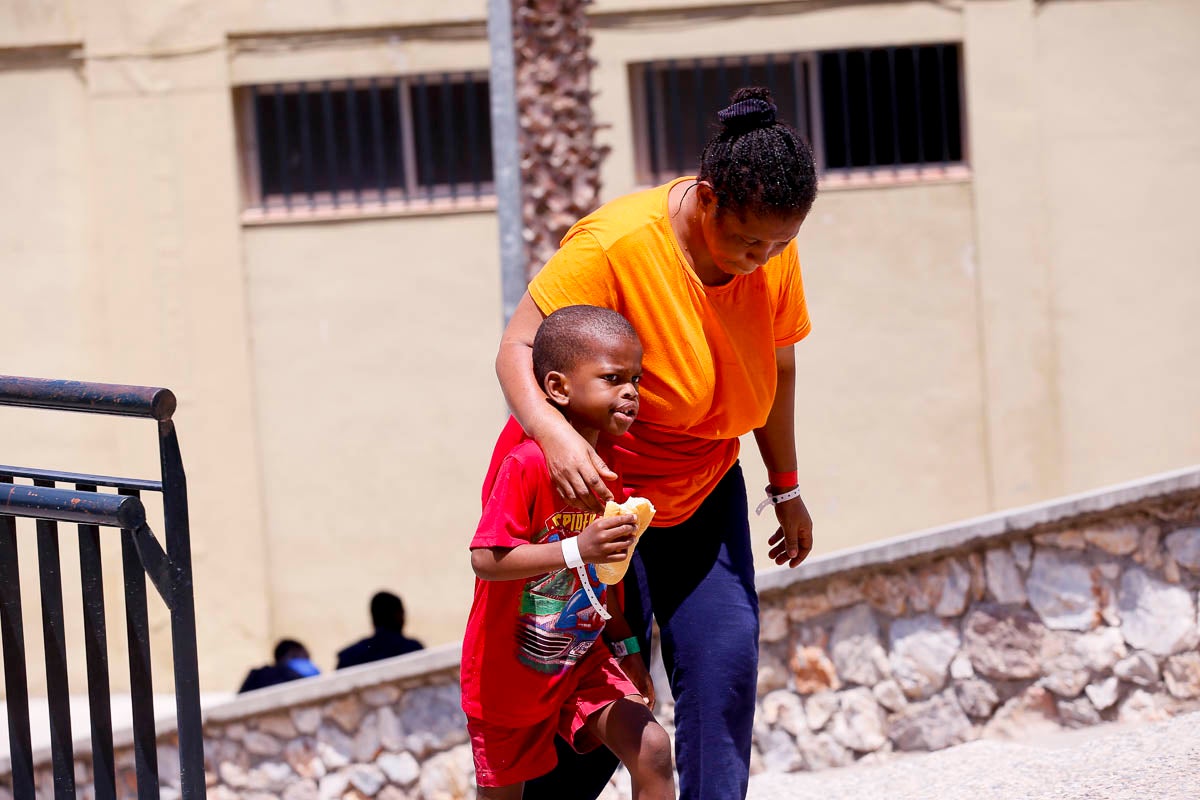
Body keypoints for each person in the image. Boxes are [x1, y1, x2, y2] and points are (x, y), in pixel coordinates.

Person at [497, 86, 820, 800]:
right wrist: (555, 438)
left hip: (706, 486)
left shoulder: (769, 253)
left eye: (779, 244)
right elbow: (517, 346)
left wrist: (786, 485)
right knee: (600, 693)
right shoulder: (617, 243)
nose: (760, 258)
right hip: (601, 501)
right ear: (705, 199)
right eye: (747, 241)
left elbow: (780, 362)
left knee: (723, 666)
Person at [462, 305, 675, 799]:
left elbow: (604, 581)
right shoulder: (528, 464)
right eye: (612, 378)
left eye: (636, 379)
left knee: (653, 750)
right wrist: (577, 548)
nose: (630, 392)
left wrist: (627, 648)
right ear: (558, 388)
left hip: (583, 660)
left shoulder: (614, 471)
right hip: (506, 676)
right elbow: (486, 559)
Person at [336, 591, 425, 669]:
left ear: (373, 618)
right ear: (398, 615)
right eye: (402, 614)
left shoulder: (349, 657)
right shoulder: (413, 650)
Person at [237, 638, 320, 693]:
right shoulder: (290, 676)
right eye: (305, 658)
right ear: (292, 654)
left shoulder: (255, 676)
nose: (308, 663)